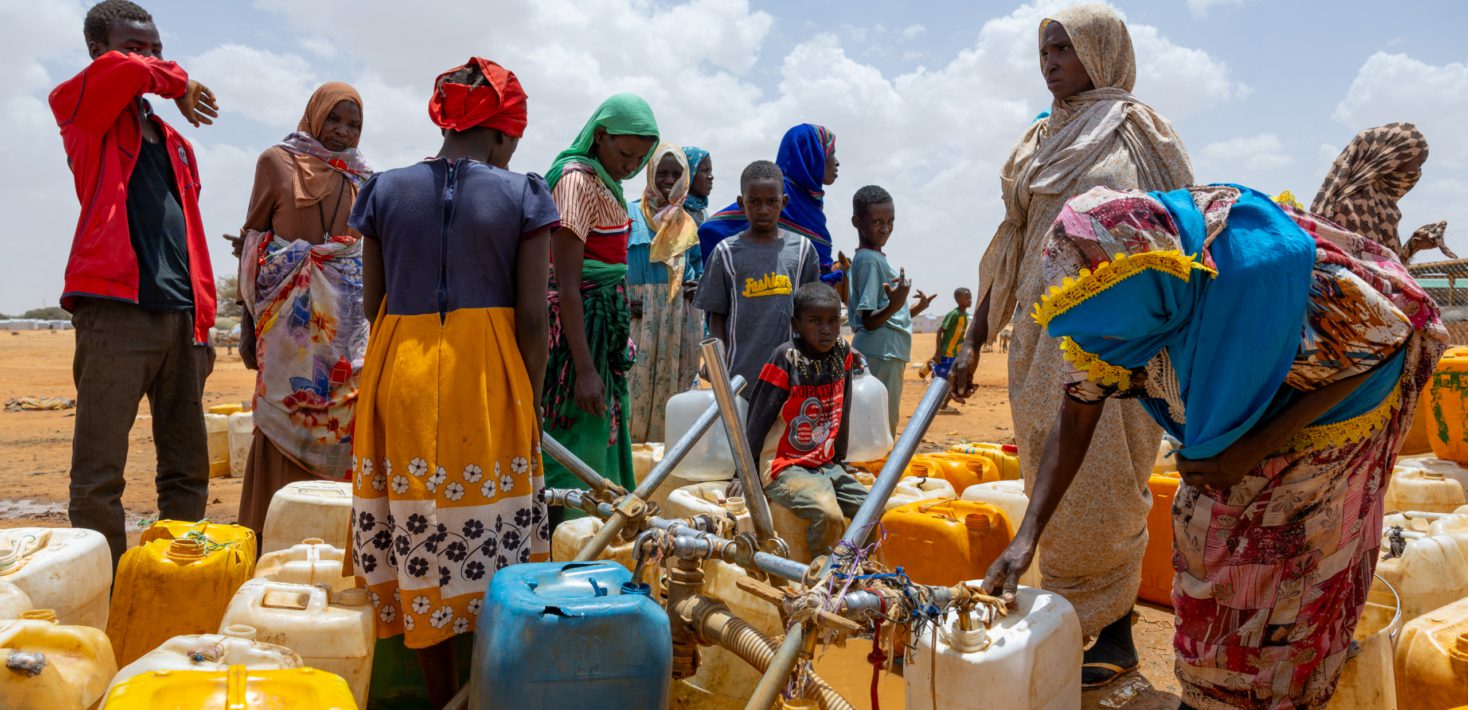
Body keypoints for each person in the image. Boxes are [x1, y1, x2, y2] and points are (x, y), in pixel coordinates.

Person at [981, 183, 1445, 709]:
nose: (1101, 344)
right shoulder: (1103, 308)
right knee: (1210, 556)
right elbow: (1077, 411)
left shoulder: (1266, 277)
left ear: (1157, 279)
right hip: (1226, 437)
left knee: (1289, 587)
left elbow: (1390, 340)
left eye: (1111, 324)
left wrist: (1251, 449)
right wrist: (1028, 535)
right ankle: (1208, 693)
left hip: (1326, 431)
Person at [947, 4, 1194, 687]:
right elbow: (1011, 241)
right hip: (1037, 335)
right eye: (1045, 51)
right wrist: (974, 336)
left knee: (1108, 478)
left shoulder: (1142, 131)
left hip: (1119, 333)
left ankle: (1115, 631)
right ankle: (1067, 616)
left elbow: (1180, 230)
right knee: (1046, 467)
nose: (1050, 62)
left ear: (1103, 51)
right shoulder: (1037, 138)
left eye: (1065, 48)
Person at [346, 58, 556, 706]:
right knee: (494, 531)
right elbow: (532, 317)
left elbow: (373, 303)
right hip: (487, 376)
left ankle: (440, 696)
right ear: (503, 131)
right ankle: (486, 688)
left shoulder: (382, 190)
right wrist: (528, 400)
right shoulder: (524, 194)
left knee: (416, 526)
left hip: (401, 369)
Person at [51, 0, 220, 567]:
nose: (148, 58)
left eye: (156, 49)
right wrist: (179, 81)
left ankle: (176, 582)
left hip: (181, 316)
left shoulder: (176, 143)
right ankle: (104, 590)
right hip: (115, 312)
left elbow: (190, 237)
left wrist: (203, 320)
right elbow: (122, 74)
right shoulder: (80, 111)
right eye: (134, 47)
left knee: (187, 469)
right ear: (97, 51)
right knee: (99, 474)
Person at [234, 82, 371, 540]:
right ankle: (270, 533)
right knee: (282, 417)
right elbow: (254, 243)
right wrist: (247, 325)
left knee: (343, 423)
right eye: (333, 118)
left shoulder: (364, 179)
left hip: (345, 333)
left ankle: (332, 540)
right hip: (286, 329)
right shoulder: (277, 162)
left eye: (353, 124)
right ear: (313, 116)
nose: (342, 131)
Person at [542, 94, 659, 525]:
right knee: (575, 446)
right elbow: (567, 284)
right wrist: (585, 370)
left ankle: (594, 535)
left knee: (599, 439)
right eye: (625, 153)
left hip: (599, 333)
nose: (631, 165)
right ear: (600, 135)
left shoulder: (606, 184)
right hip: (576, 340)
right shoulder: (575, 182)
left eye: (640, 158)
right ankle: (566, 538)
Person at [743, 282, 867, 557]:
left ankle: (858, 567)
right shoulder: (786, 358)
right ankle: (825, 573)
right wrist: (745, 476)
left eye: (833, 321)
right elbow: (758, 418)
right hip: (786, 467)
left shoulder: (842, 353)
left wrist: (839, 459)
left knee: (871, 507)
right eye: (815, 321)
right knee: (829, 515)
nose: (826, 329)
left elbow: (843, 407)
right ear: (796, 325)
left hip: (825, 463)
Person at [695, 160, 821, 387]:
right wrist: (717, 356)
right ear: (741, 203)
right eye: (754, 202)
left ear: (783, 202)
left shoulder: (803, 250)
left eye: (772, 202)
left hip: (791, 373)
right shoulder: (725, 253)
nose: (763, 210)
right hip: (740, 377)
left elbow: (812, 311)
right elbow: (716, 315)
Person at [626, 144, 702, 443]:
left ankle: (663, 460)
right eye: (662, 173)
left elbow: (696, 270)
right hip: (637, 317)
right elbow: (612, 263)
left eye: (676, 174)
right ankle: (631, 461)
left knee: (674, 393)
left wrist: (697, 287)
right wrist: (621, 298)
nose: (669, 180)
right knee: (632, 390)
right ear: (650, 173)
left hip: (677, 321)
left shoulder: (688, 224)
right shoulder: (629, 214)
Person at [846, 185, 935, 434]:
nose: (885, 228)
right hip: (881, 352)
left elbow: (886, 317)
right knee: (881, 423)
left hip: (885, 351)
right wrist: (896, 303)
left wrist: (911, 308)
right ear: (857, 222)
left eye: (890, 221)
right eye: (877, 222)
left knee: (873, 419)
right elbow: (869, 320)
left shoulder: (871, 257)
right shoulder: (870, 261)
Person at [698, 124, 841, 279]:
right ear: (813, 156)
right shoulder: (775, 192)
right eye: (831, 153)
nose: (836, 162)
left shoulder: (809, 202)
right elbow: (711, 229)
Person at [1312, 122, 1454, 263]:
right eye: (1417, 163)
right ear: (1390, 160)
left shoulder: (1378, 204)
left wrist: (1413, 245)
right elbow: (1370, 270)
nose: (1417, 173)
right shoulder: (1352, 205)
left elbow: (1383, 266)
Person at [931, 287, 972, 412]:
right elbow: (940, 331)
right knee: (948, 379)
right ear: (958, 299)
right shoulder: (953, 314)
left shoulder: (965, 316)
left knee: (955, 378)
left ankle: (944, 404)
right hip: (946, 353)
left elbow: (959, 335)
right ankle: (943, 400)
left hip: (955, 354)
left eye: (970, 297)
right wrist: (938, 352)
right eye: (967, 297)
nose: (970, 299)